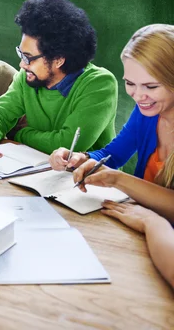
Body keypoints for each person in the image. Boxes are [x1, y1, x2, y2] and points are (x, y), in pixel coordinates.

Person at [49, 24, 174, 288]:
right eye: (130, 83)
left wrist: (118, 180)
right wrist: (83, 158)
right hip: (141, 233)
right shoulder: (146, 113)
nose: (139, 96)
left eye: (151, 86)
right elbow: (112, 154)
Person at [0, 0, 117, 162]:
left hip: (90, 182)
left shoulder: (100, 84)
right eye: (21, 54)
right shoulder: (27, 77)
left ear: (59, 59)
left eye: (28, 57)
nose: (22, 65)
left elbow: (67, 144)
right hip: (38, 173)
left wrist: (19, 133)